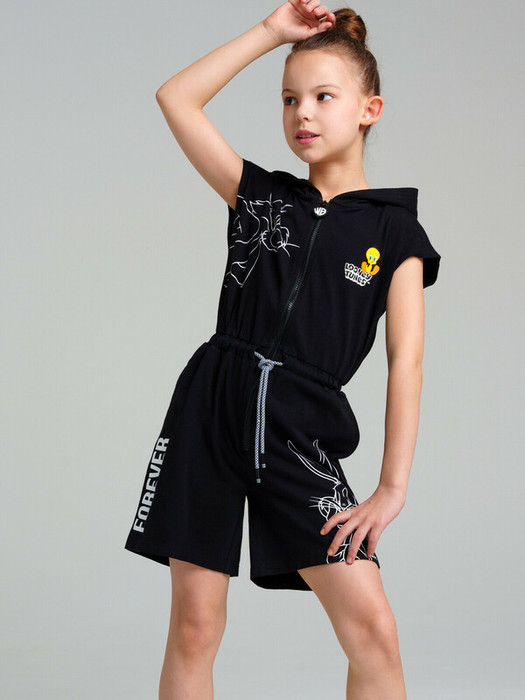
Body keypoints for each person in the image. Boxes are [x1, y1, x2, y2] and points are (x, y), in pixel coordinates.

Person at [124, 1, 441, 698]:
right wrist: (271, 34)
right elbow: (176, 97)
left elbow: (406, 364)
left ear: (370, 109)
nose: (303, 113)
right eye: (289, 98)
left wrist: (391, 489)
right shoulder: (260, 197)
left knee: (374, 632)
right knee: (194, 627)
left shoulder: (397, 234)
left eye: (324, 97)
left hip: (300, 430)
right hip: (210, 411)